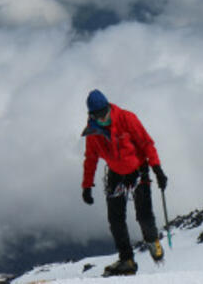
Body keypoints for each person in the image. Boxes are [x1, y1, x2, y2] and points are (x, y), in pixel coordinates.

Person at [81, 89, 169, 276]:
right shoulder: (93, 131)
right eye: (97, 115)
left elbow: (146, 144)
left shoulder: (126, 118)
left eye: (104, 113)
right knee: (115, 219)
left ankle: (153, 241)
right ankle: (126, 259)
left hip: (138, 170)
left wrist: (157, 169)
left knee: (144, 214)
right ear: (91, 115)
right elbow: (91, 158)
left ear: (108, 107)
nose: (102, 118)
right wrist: (86, 185)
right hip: (115, 174)